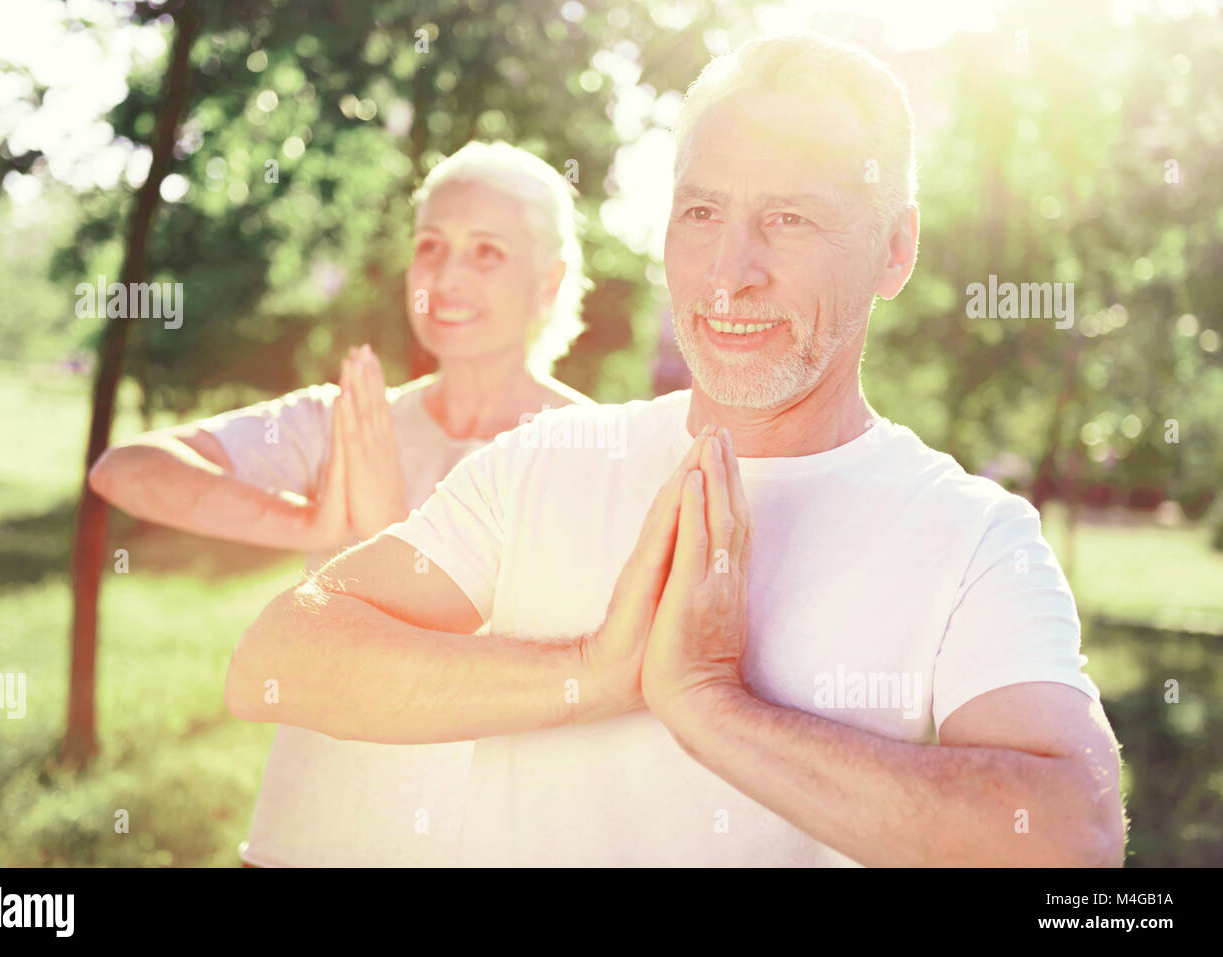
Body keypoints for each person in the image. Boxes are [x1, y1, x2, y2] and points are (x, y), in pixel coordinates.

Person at [226, 34, 1126, 866]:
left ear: (895, 251)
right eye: (703, 211)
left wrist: (711, 707)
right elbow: (276, 661)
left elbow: (1071, 832)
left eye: (791, 220)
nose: (731, 272)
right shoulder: (543, 461)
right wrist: (590, 673)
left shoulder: (972, 538)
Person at [89, 140, 593, 866]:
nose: (447, 276)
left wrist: (383, 537)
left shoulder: (594, 450)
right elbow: (128, 469)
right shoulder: (347, 421)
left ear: (547, 285)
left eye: (487, 252)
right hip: (297, 845)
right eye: (430, 245)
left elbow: (567, 679)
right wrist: (312, 521)